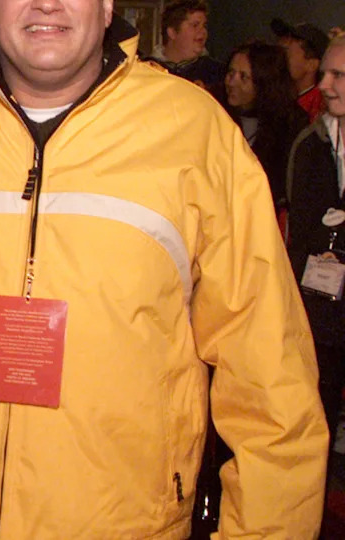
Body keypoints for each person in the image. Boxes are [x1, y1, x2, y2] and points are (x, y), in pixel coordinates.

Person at [0, 0, 326, 537]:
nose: (47, 3)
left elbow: (268, 369)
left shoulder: (194, 133)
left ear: (107, 5)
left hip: (125, 522)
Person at [287, 32, 345, 508]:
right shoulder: (310, 144)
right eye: (323, 72)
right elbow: (298, 234)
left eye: (338, 75)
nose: (324, 84)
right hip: (320, 311)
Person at [224, 41, 309, 222]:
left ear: (264, 82)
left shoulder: (290, 123)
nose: (231, 82)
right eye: (230, 73)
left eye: (243, 77)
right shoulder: (218, 112)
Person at [146, 0, 225, 96]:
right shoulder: (146, 69)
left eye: (204, 26)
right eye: (195, 25)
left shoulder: (217, 73)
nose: (203, 31)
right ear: (172, 32)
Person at [273, 19, 330, 123]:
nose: (278, 58)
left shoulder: (322, 108)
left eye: (286, 52)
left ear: (311, 65)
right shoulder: (276, 97)